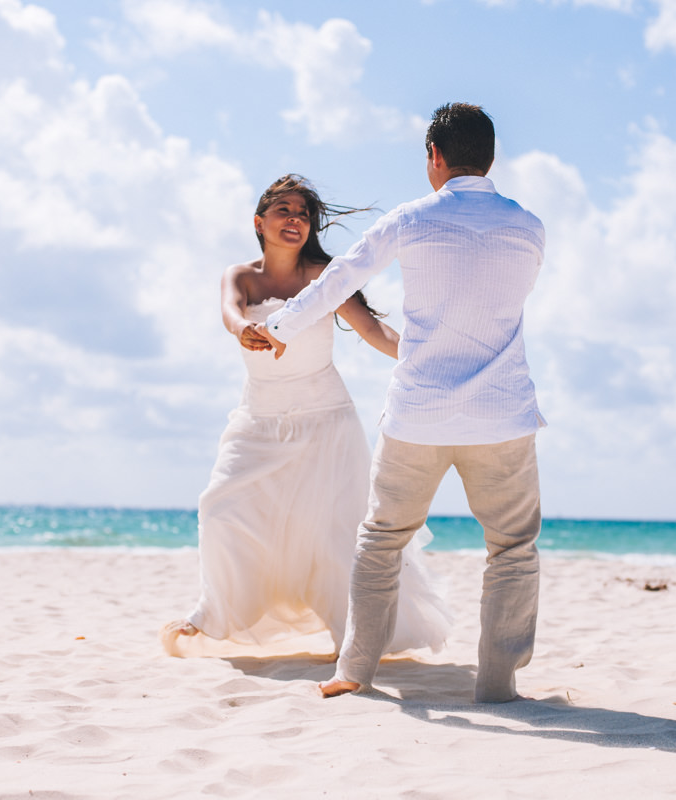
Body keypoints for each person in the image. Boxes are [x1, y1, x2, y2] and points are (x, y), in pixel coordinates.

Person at [257, 103, 545, 703]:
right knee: (512, 550)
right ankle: (497, 685)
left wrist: (280, 327)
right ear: (490, 158)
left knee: (382, 540)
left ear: (435, 157)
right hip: (501, 414)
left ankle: (354, 671)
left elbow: (337, 281)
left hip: (420, 413)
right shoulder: (528, 227)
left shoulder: (412, 220)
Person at [160, 174, 451, 658]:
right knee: (220, 508)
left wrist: (425, 357)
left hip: (326, 423)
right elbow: (231, 312)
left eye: (303, 214)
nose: (295, 220)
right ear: (260, 222)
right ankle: (214, 613)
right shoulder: (242, 276)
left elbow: (373, 330)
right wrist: (243, 329)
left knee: (334, 534)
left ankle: (357, 636)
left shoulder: (325, 274)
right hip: (258, 421)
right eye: (284, 211)